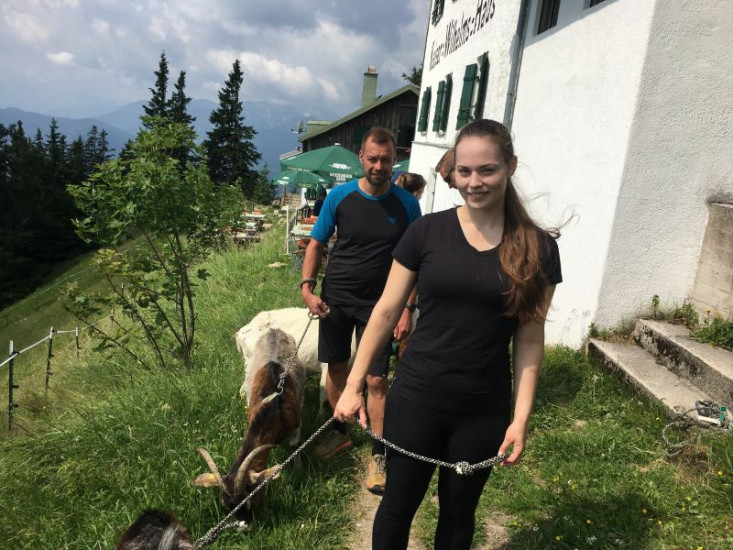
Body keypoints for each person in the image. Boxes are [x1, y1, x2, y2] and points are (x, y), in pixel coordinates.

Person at [334, 119, 562, 549]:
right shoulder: (426, 232)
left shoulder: (538, 249)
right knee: (398, 505)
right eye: (465, 170)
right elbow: (385, 311)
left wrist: (520, 418)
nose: (474, 182)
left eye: (487, 170)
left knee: (459, 516)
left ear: (510, 166)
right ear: (453, 171)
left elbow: (530, 339)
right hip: (416, 398)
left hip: (482, 410)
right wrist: (353, 385)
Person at [300, 127, 421, 495]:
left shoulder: (407, 205)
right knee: (336, 367)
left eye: (386, 160)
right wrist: (307, 288)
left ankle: (379, 453)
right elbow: (316, 244)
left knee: (376, 380)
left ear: (394, 161)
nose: (378, 166)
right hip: (336, 298)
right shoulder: (339, 197)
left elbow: (417, 261)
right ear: (361, 158)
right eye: (372, 159)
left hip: (382, 304)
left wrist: (407, 308)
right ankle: (340, 431)